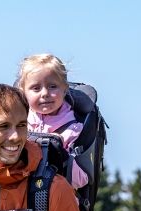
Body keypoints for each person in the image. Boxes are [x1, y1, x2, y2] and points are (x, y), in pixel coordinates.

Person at [16, 54, 89, 190]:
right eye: (36, 88)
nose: (44, 93)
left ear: (65, 88)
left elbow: (82, 180)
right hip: (21, 203)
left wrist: (60, 155)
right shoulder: (17, 124)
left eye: (52, 86)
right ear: (23, 92)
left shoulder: (73, 130)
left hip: (58, 201)